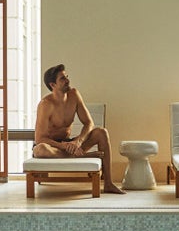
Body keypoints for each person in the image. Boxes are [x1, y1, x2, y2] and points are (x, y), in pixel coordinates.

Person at [33, 63, 124, 194]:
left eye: (67, 76)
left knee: (102, 132)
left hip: (72, 144)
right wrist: (64, 146)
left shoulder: (74, 95)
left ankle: (109, 183)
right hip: (53, 146)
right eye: (62, 79)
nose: (67, 80)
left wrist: (78, 142)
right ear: (52, 85)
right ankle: (81, 156)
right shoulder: (46, 104)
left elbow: (89, 123)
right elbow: (39, 138)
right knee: (40, 149)